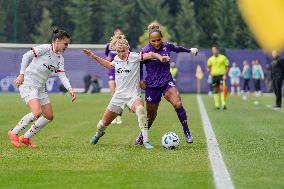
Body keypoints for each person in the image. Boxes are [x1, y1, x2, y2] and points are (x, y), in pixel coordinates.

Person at [83, 35, 170, 149]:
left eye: (123, 51)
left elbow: (151, 54)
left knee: (140, 110)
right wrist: (93, 56)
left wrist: (160, 57)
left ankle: (146, 140)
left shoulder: (134, 57)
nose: (121, 53)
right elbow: (109, 65)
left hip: (133, 96)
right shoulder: (117, 59)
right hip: (118, 96)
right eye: (118, 51)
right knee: (102, 124)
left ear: (128, 48)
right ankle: (98, 135)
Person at [8, 27, 76, 148]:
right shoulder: (45, 48)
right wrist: (22, 74)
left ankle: (25, 137)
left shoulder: (60, 58)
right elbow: (26, 56)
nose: (67, 47)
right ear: (57, 41)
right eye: (65, 44)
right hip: (28, 83)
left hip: (40, 88)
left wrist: (70, 89)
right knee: (37, 112)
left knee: (49, 116)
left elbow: (62, 75)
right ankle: (13, 132)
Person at [135, 22, 198, 145]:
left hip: (166, 82)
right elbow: (138, 65)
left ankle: (187, 131)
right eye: (153, 41)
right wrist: (140, 80)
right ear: (149, 40)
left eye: (158, 40)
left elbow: (178, 48)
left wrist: (190, 51)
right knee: (151, 117)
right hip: (152, 86)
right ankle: (142, 135)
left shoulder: (167, 46)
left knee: (177, 103)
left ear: (161, 39)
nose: (156, 43)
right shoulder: (145, 51)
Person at [105, 29, 124, 124]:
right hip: (112, 72)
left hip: (122, 73)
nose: (118, 36)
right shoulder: (109, 46)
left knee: (120, 95)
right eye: (117, 35)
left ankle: (119, 116)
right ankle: (113, 117)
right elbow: (107, 58)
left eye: (120, 35)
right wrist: (108, 59)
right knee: (113, 94)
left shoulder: (125, 45)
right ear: (114, 35)